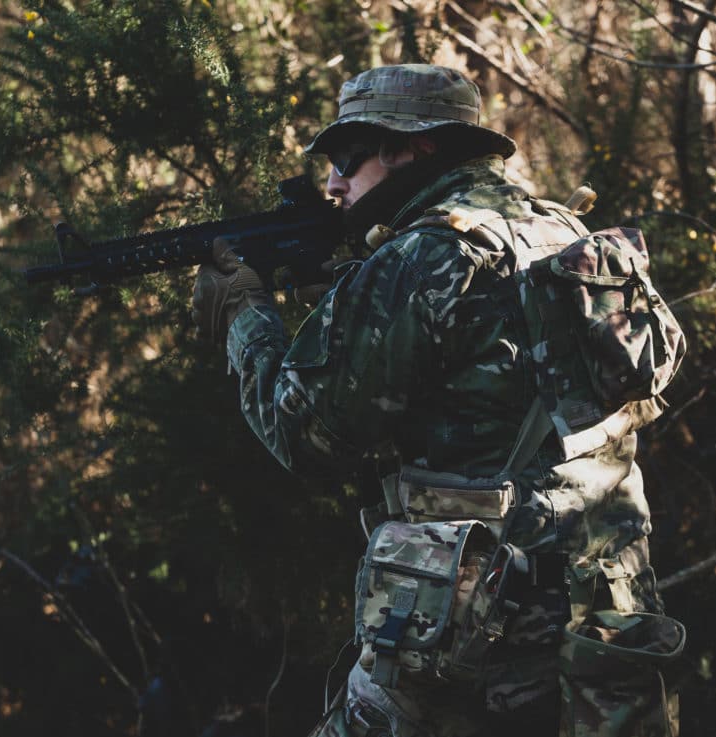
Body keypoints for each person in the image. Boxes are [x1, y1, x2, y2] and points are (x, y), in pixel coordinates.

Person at [192, 64, 683, 737]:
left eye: (347, 157)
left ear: (416, 147)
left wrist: (245, 314)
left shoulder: (422, 256)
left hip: (476, 638)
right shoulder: (565, 230)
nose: (334, 181)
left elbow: (300, 433)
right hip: (608, 623)